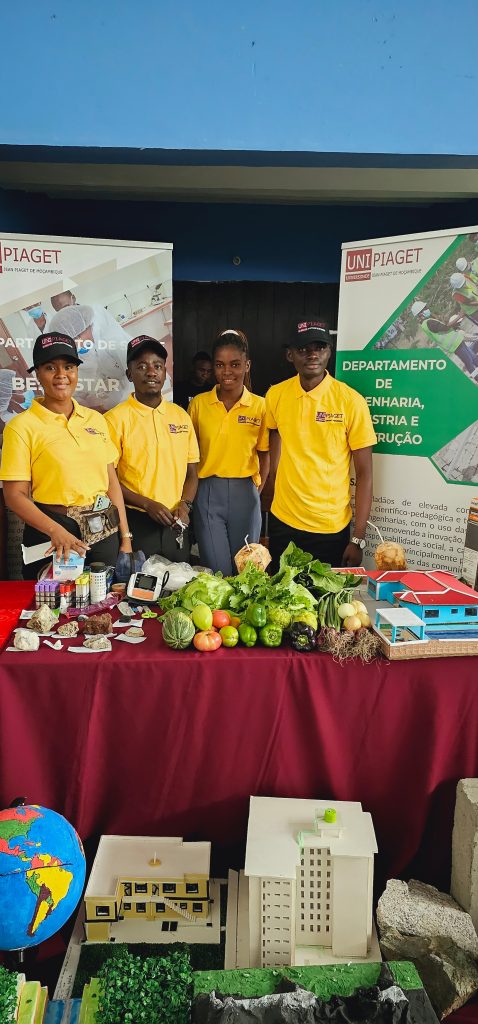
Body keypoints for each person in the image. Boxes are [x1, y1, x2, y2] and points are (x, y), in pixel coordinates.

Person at [0, 332, 132, 580]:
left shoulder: (95, 420)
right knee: (51, 609)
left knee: (103, 605)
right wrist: (54, 530)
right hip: (51, 531)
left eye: (69, 367)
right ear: (37, 374)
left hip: (102, 528)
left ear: (77, 372)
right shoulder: (21, 426)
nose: (61, 375)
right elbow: (14, 496)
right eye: (50, 367)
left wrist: (125, 537)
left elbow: (111, 482)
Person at [265, 319, 376, 570]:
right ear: (290, 354)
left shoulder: (350, 402)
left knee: (325, 605)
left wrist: (357, 538)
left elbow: (365, 474)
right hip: (283, 522)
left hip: (330, 528)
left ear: (329, 351)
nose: (313, 354)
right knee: (280, 602)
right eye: (304, 348)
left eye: (320, 347)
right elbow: (274, 443)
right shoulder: (276, 395)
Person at [104, 335, 199, 560]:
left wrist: (185, 506)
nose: (151, 372)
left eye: (157, 366)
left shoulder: (181, 416)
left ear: (165, 373)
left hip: (176, 521)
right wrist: (147, 504)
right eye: (142, 366)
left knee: (179, 588)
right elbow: (109, 481)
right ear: (129, 374)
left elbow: (192, 474)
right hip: (136, 520)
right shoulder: (114, 420)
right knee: (138, 589)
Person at [188, 329, 269, 575]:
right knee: (218, 570)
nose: (227, 372)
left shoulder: (260, 406)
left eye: (235, 365)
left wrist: (257, 488)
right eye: (220, 365)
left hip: (246, 493)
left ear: (247, 365)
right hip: (208, 492)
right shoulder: (199, 404)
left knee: (247, 570)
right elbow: (189, 456)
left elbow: (265, 454)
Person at [48, 303, 133, 411]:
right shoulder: (86, 349)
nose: (76, 345)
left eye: (76, 338)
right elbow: (91, 374)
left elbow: (137, 378)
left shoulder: (114, 342)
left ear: (85, 328)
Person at [411, 301, 478, 378]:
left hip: (456, 342)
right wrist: (459, 316)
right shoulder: (429, 322)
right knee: (469, 362)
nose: (427, 309)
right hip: (454, 344)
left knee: (473, 358)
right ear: (420, 314)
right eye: (425, 308)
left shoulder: (426, 323)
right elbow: (445, 328)